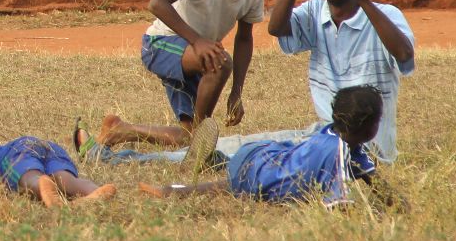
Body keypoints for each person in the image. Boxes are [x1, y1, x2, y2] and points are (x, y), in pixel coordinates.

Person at [97, 0, 265, 151]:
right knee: (220, 62)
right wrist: (198, 41)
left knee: (187, 135)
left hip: (197, 56)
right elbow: (157, 3)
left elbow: (245, 39)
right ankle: (200, 140)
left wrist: (236, 92)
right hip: (159, 44)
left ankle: (121, 130)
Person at [268, 0, 415, 162]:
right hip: (328, 137)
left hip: (371, 146)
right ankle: (220, 154)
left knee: (280, 158)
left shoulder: (385, 14)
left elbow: (405, 55)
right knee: (270, 145)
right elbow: (276, 28)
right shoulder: (315, 10)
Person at [138, 85, 383, 207]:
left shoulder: (331, 132)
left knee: (233, 184)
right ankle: (210, 165)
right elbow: (338, 207)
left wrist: (394, 202)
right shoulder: (339, 154)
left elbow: (372, 178)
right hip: (261, 171)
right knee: (240, 187)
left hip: (261, 155)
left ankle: (175, 187)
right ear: (367, 126)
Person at [0, 120, 116, 207]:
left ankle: (40, 185)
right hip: (49, 147)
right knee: (65, 179)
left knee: (29, 176)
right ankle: (93, 191)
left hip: (17, 150)